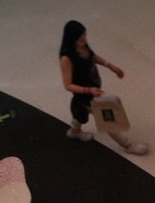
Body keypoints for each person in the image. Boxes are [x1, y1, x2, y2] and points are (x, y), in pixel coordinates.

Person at [58, 20, 148, 155]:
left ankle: (74, 131)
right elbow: (68, 85)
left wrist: (110, 66)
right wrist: (89, 90)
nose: (84, 40)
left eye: (85, 36)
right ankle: (127, 145)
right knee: (107, 121)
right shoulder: (66, 59)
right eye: (81, 38)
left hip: (92, 92)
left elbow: (92, 56)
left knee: (81, 114)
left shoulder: (82, 47)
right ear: (71, 39)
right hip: (86, 97)